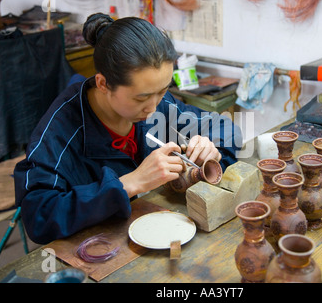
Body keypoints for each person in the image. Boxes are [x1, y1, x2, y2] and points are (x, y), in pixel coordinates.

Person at [14, 14, 242, 244]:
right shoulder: (60, 132)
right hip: (98, 250)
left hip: (154, 229)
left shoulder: (156, 102)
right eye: (141, 98)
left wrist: (211, 145)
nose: (153, 108)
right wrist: (128, 184)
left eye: (162, 91)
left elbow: (224, 127)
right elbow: (38, 217)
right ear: (103, 84)